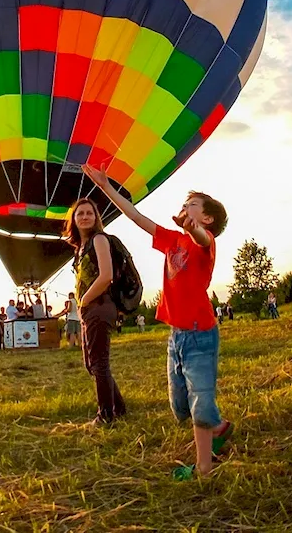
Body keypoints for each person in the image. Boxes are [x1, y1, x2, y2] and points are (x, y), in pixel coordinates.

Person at [83, 164, 232, 476]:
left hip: (200, 334)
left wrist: (191, 229)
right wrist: (107, 187)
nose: (184, 208)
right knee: (179, 407)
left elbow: (202, 239)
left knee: (198, 401)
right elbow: (137, 218)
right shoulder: (172, 241)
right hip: (176, 336)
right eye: (184, 205)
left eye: (192, 206)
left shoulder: (204, 243)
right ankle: (218, 426)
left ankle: (204, 466)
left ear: (207, 219)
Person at [63, 195, 127, 425]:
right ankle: (118, 407)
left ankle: (106, 415)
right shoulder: (80, 248)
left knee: (99, 362)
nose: (85, 216)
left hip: (100, 306)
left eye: (89, 213)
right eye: (80, 213)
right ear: (73, 219)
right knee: (91, 363)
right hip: (90, 309)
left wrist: (84, 300)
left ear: (96, 217)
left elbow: (106, 276)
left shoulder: (100, 239)